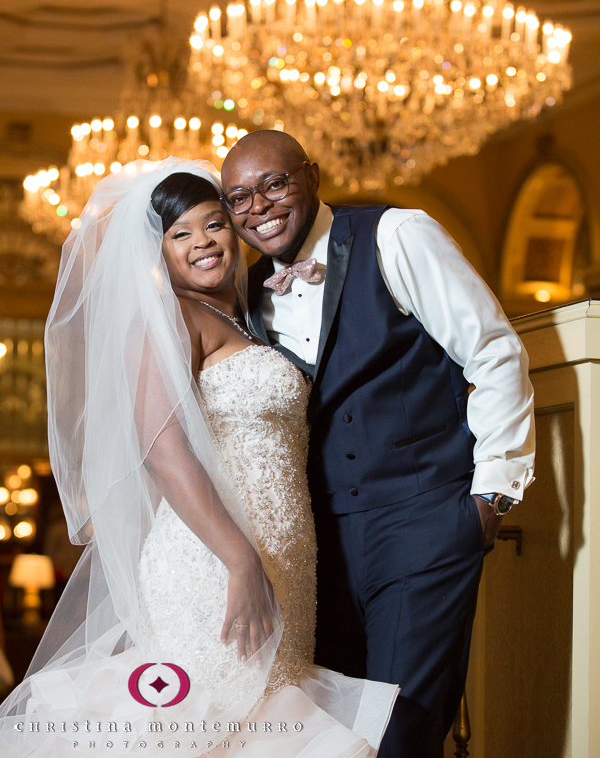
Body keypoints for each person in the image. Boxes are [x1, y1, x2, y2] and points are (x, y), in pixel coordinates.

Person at [0, 158, 397, 757]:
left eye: (213, 224)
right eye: (180, 234)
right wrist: (239, 560)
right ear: (157, 252)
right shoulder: (170, 318)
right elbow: (162, 451)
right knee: (213, 723)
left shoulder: (242, 316)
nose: (203, 243)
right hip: (213, 560)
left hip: (285, 555)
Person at [220, 130, 536, 758]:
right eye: (238, 199)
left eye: (274, 184)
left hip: (424, 522)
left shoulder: (398, 234)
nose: (259, 208)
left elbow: (494, 351)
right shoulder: (245, 295)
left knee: (402, 733)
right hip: (318, 552)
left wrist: (491, 498)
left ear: (311, 176)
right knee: (332, 737)